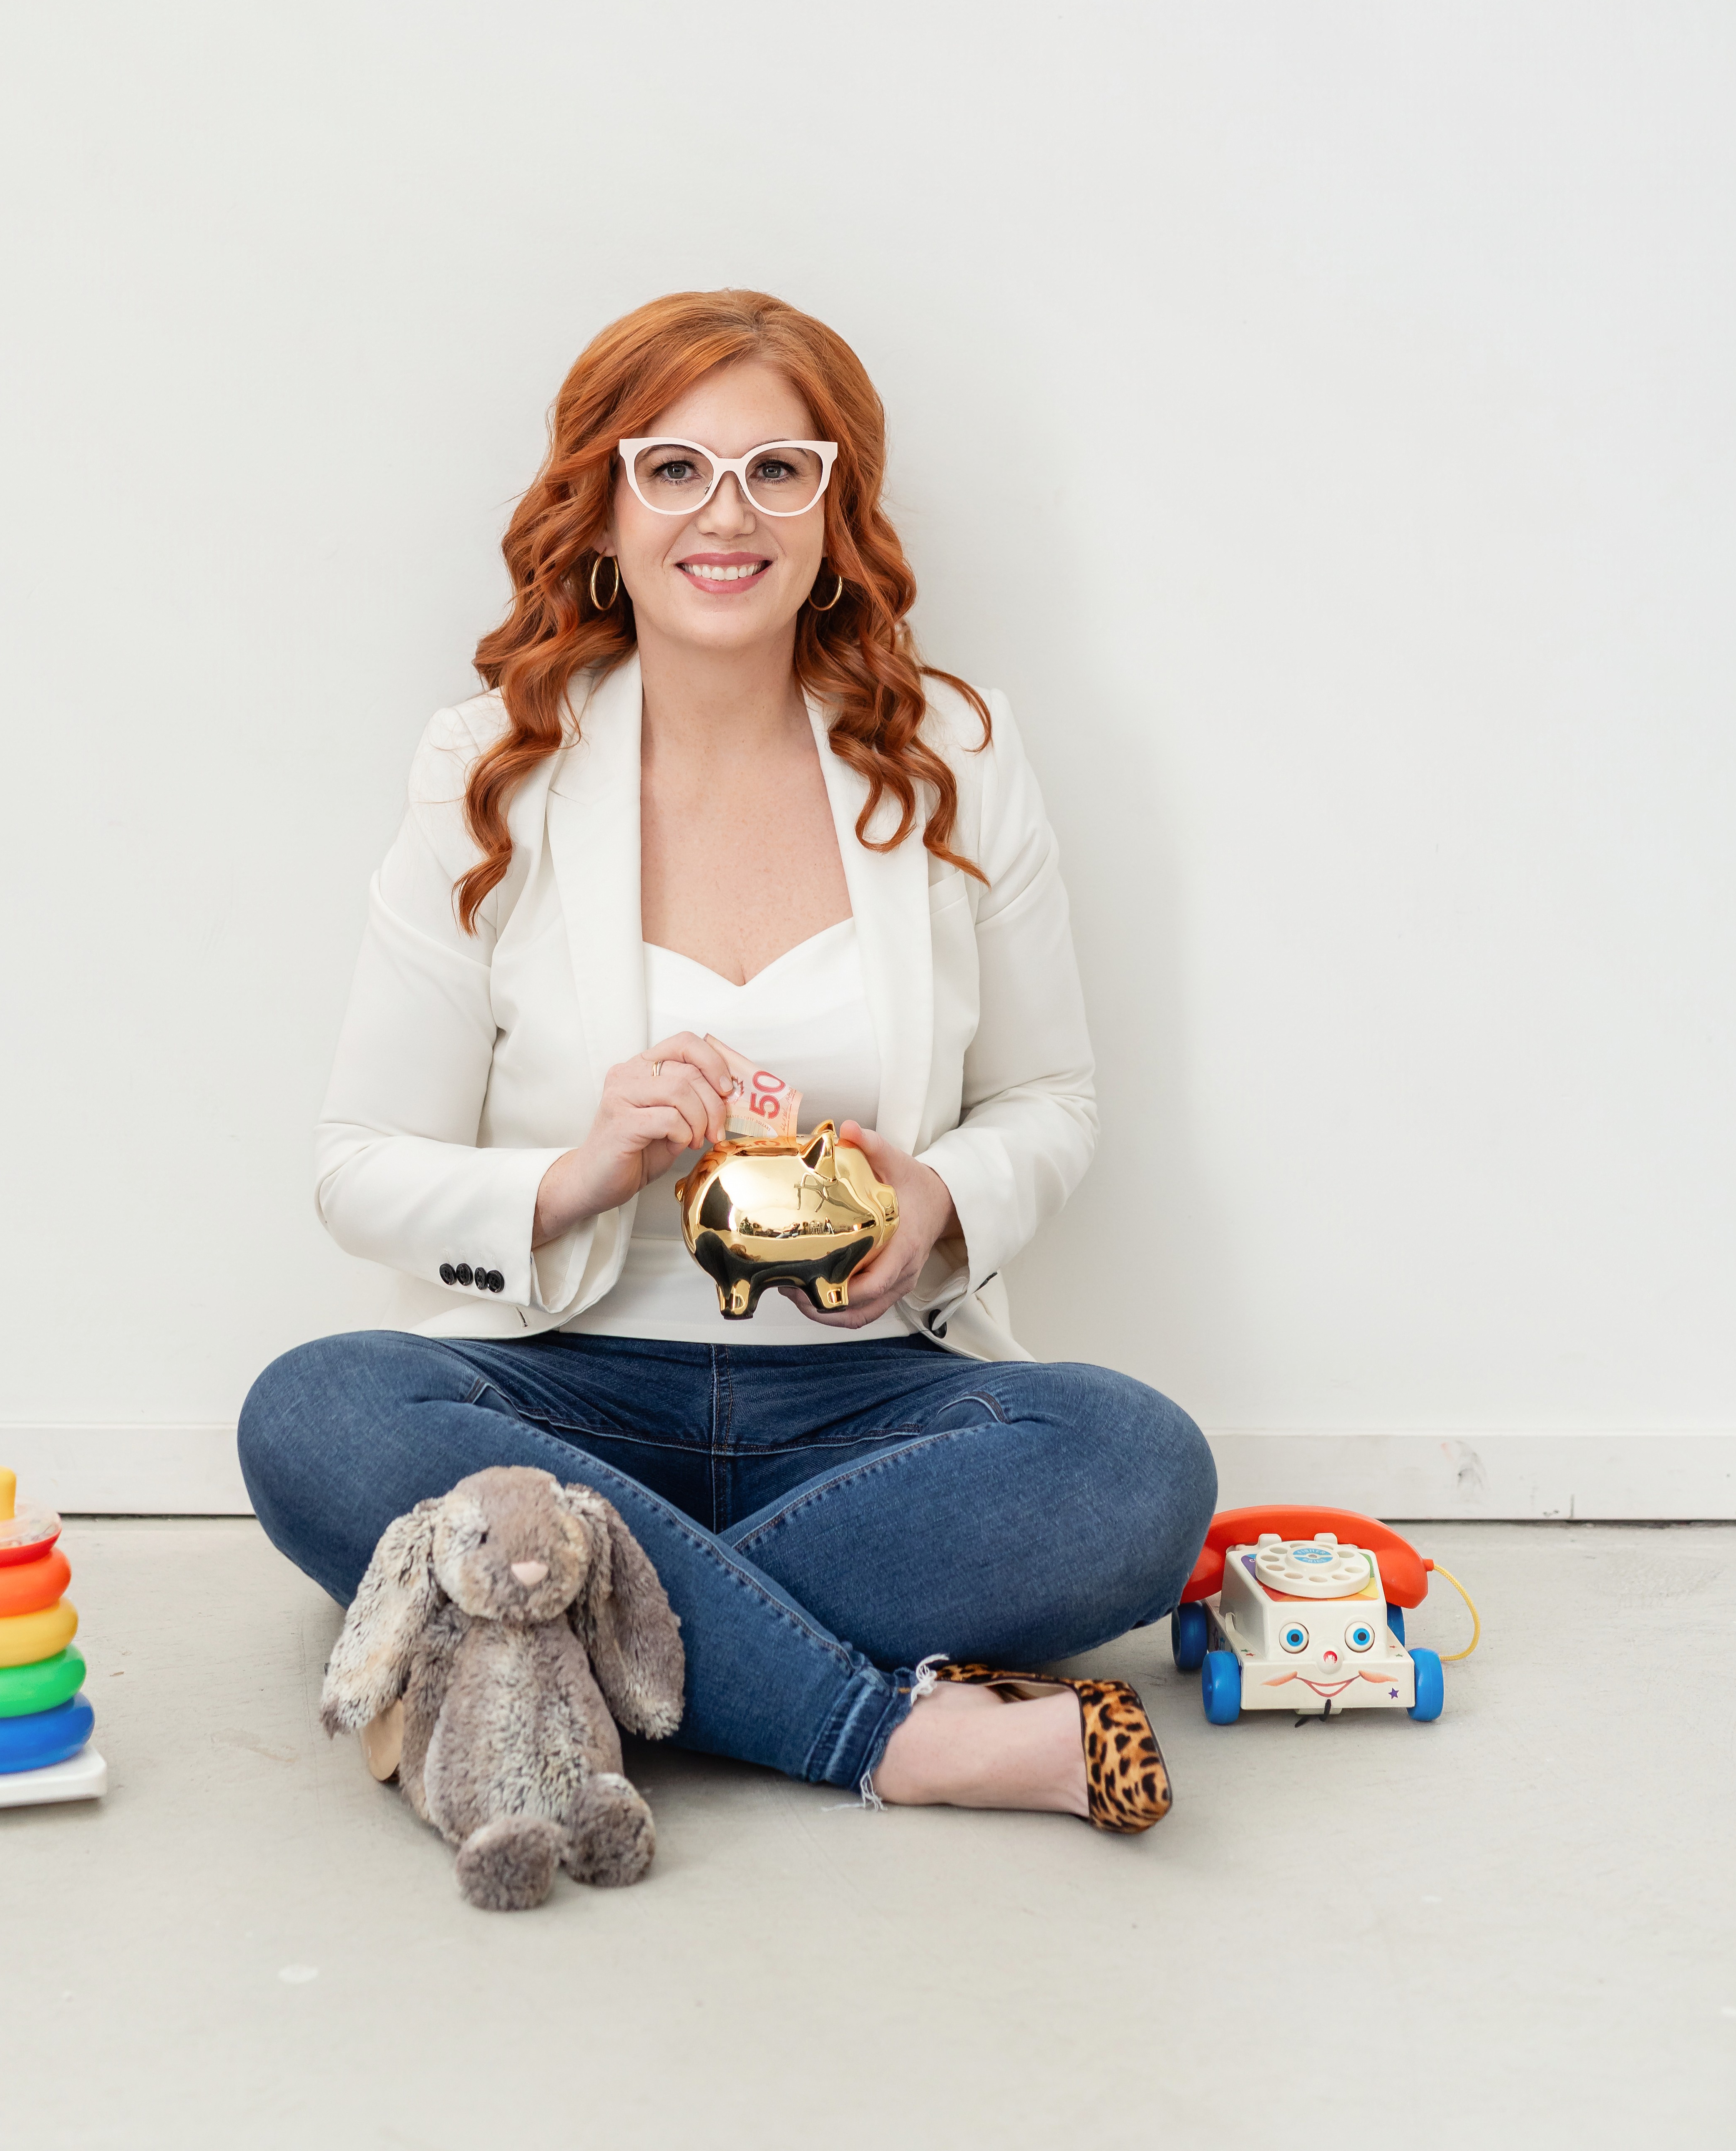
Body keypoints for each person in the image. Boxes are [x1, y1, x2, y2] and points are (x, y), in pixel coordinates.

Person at [240, 290, 1215, 1827]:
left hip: (865, 1418)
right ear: (605, 506)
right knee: (319, 1411)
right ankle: (875, 1734)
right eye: (675, 467)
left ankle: (526, 1630)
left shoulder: (954, 754)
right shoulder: (486, 765)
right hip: (554, 1396)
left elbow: (1051, 1099)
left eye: (780, 470)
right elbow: (357, 1169)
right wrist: (574, 1175)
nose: (728, 514)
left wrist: (937, 1200)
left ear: (838, 511)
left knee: (1133, 1470)